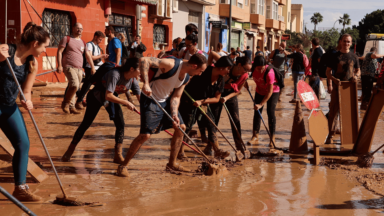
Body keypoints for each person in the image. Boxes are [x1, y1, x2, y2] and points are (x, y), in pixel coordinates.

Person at [116, 54, 207, 177]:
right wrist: (146, 84)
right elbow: (144, 60)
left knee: (181, 128)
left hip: (165, 101)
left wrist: (174, 114)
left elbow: (176, 96)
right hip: (150, 99)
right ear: (194, 66)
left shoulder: (186, 77)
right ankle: (123, 166)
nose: (200, 74)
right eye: (200, 71)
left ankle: (172, 164)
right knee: (145, 135)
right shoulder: (171, 64)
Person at [0, 22, 50, 201]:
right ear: (35, 43)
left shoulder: (32, 63)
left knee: (23, 144)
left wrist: (27, 101)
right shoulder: (5, 50)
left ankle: (20, 188)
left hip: (8, 107)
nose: (45, 50)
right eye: (45, 46)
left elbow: (26, 91)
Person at [61, 58, 141, 163]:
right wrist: (126, 102)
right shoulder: (115, 74)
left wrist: (148, 114)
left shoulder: (133, 80)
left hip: (111, 98)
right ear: (131, 69)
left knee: (120, 123)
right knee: (86, 123)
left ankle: (117, 154)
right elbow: (108, 95)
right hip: (96, 96)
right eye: (141, 69)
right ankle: (69, 151)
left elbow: (141, 100)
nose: (143, 72)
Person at [178, 55, 235, 158]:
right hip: (189, 101)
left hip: (202, 102)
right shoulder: (204, 71)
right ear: (221, 67)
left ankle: (217, 150)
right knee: (188, 126)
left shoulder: (221, 80)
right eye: (228, 69)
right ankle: (180, 152)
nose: (228, 72)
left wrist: (202, 101)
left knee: (211, 123)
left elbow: (217, 99)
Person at [210, 53, 252, 154]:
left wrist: (226, 98)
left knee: (236, 120)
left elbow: (238, 91)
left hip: (230, 94)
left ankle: (239, 147)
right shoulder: (227, 67)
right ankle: (212, 146)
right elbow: (211, 54)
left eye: (248, 71)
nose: (246, 72)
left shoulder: (244, 75)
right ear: (239, 65)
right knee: (214, 120)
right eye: (245, 69)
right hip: (218, 92)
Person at [325, 34, 360, 144]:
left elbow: (358, 70)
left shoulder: (354, 57)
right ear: (340, 42)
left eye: (348, 42)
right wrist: (333, 80)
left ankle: (348, 138)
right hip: (337, 88)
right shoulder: (335, 57)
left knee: (348, 113)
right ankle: (330, 136)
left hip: (349, 89)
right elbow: (327, 72)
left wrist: (356, 76)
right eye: (344, 41)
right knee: (333, 113)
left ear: (351, 43)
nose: (346, 43)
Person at [57, 23, 96, 114]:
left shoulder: (83, 42)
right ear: (73, 28)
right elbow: (59, 52)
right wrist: (59, 65)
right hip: (68, 66)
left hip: (79, 68)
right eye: (77, 28)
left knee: (75, 87)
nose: (79, 30)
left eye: (81, 28)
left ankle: (72, 107)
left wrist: (92, 67)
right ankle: (66, 103)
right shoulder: (66, 39)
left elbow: (88, 55)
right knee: (74, 85)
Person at [247, 56, 280, 147]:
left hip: (273, 91)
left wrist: (261, 104)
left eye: (262, 68)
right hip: (260, 91)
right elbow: (243, 72)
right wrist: (243, 82)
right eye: (258, 68)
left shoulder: (269, 73)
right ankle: (255, 136)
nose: (260, 71)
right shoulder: (252, 68)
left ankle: (272, 138)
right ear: (254, 66)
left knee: (270, 112)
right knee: (257, 112)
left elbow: (270, 92)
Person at [74, 31, 109, 110]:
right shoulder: (89, 45)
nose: (101, 41)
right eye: (100, 39)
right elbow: (90, 57)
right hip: (90, 68)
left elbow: (96, 58)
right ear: (95, 37)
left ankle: (97, 100)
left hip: (97, 68)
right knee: (87, 85)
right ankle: (79, 101)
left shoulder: (96, 46)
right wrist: (101, 56)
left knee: (99, 84)